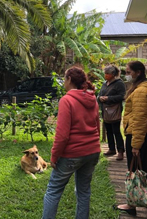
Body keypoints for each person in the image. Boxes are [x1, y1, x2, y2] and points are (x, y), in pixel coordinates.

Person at [42, 67, 100, 219]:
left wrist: (54, 157)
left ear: (69, 79)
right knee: (84, 191)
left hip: (72, 154)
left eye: (64, 78)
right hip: (92, 151)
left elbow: (62, 136)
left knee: (53, 191)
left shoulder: (67, 100)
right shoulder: (92, 98)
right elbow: (97, 126)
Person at [117, 61, 147, 215]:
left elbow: (139, 120)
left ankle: (132, 205)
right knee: (145, 167)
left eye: (129, 72)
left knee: (134, 169)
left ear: (138, 72)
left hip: (137, 134)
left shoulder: (141, 92)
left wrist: (135, 144)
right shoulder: (145, 87)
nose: (127, 74)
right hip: (146, 133)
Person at [98, 65, 126, 160]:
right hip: (105, 110)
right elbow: (99, 94)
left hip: (114, 110)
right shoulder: (104, 83)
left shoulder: (119, 83)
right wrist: (100, 98)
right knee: (108, 130)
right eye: (105, 73)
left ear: (113, 74)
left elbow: (122, 96)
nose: (105, 75)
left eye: (107, 74)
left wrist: (109, 98)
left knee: (116, 131)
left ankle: (121, 150)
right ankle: (111, 148)